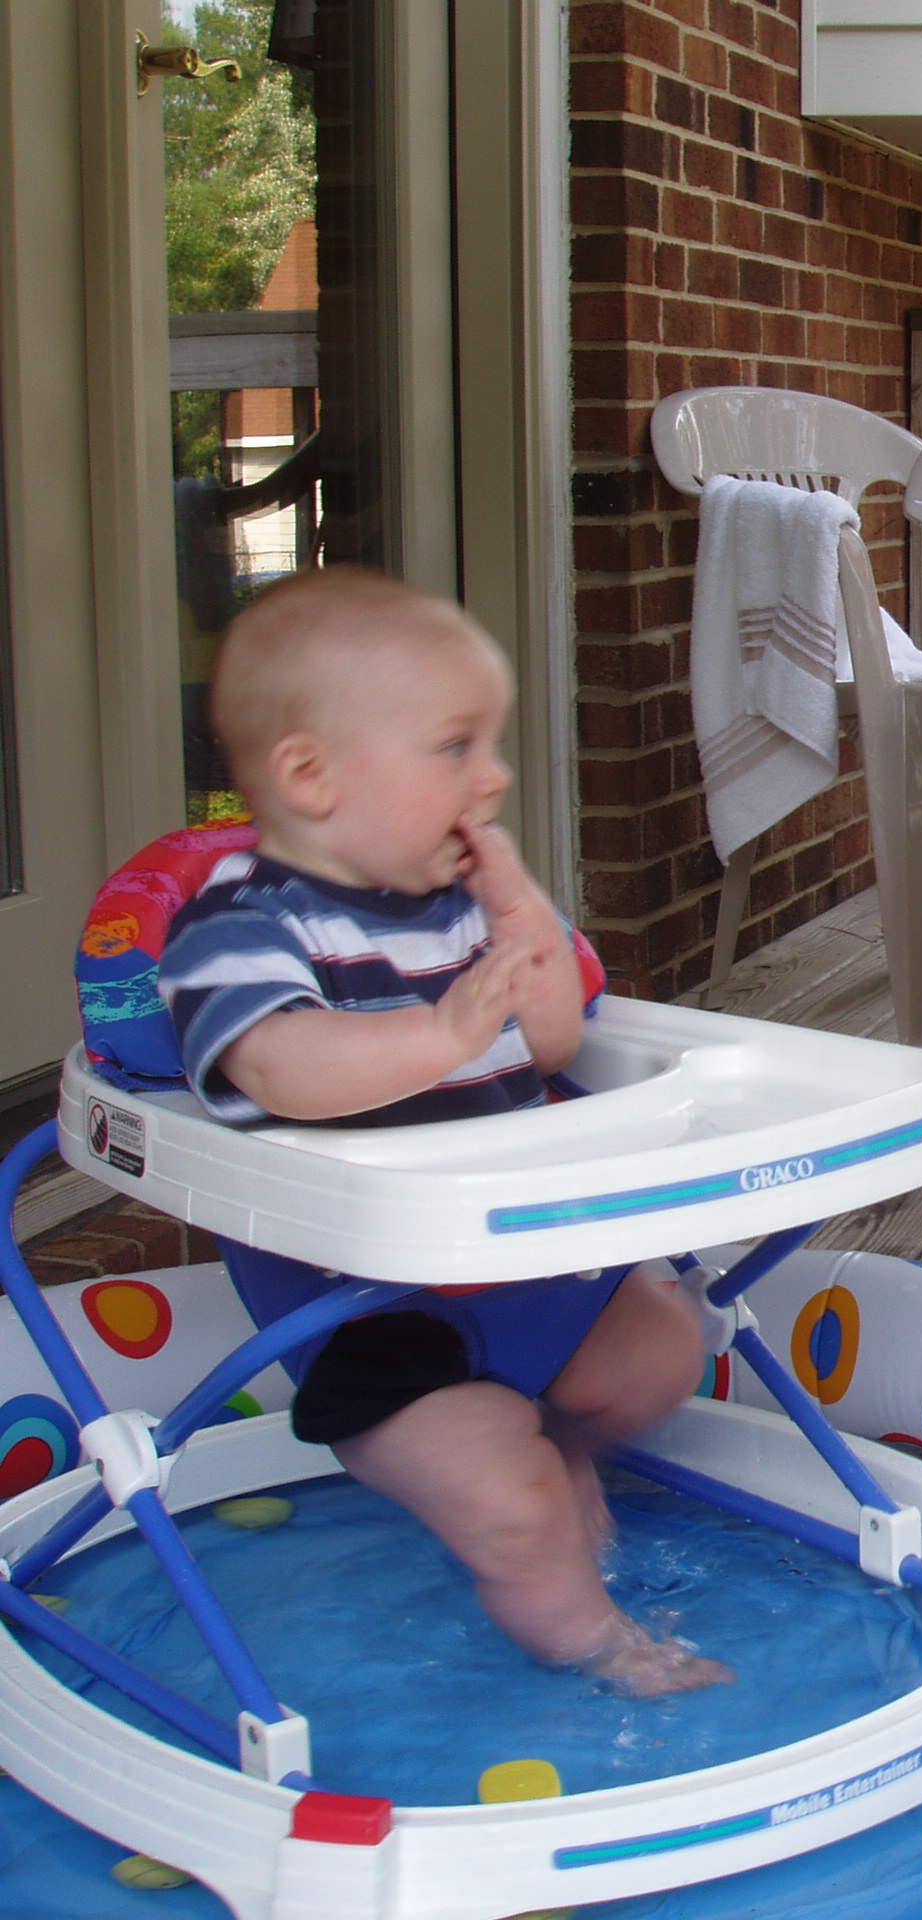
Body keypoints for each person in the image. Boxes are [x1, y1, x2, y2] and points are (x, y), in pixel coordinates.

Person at [158, 567, 726, 1695]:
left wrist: (515, 916)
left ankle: (565, 1444)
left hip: (532, 1267)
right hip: (377, 1315)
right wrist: (438, 1032)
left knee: (669, 1348)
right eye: (456, 747)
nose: (494, 776)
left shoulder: (465, 913)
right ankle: (603, 1648)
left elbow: (552, 1043)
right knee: (513, 1510)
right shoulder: (241, 925)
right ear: (311, 776)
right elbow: (276, 1065)